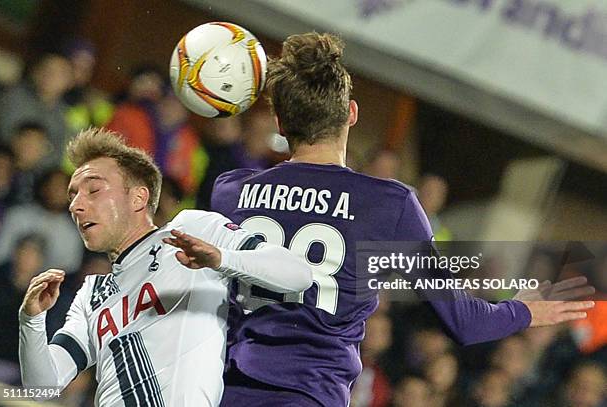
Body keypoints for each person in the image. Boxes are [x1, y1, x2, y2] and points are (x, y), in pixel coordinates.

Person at [210, 32, 595, 406]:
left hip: (218, 390)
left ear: (280, 122)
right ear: (352, 113)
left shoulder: (230, 192)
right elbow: (462, 320)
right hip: (310, 394)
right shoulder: (388, 204)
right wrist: (524, 310)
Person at [18, 128, 311, 406]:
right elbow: (42, 386)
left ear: (138, 198)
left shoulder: (191, 231)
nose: (76, 206)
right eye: (73, 195)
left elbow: (298, 275)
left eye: (93, 190)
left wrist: (222, 258)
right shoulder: (91, 294)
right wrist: (31, 321)